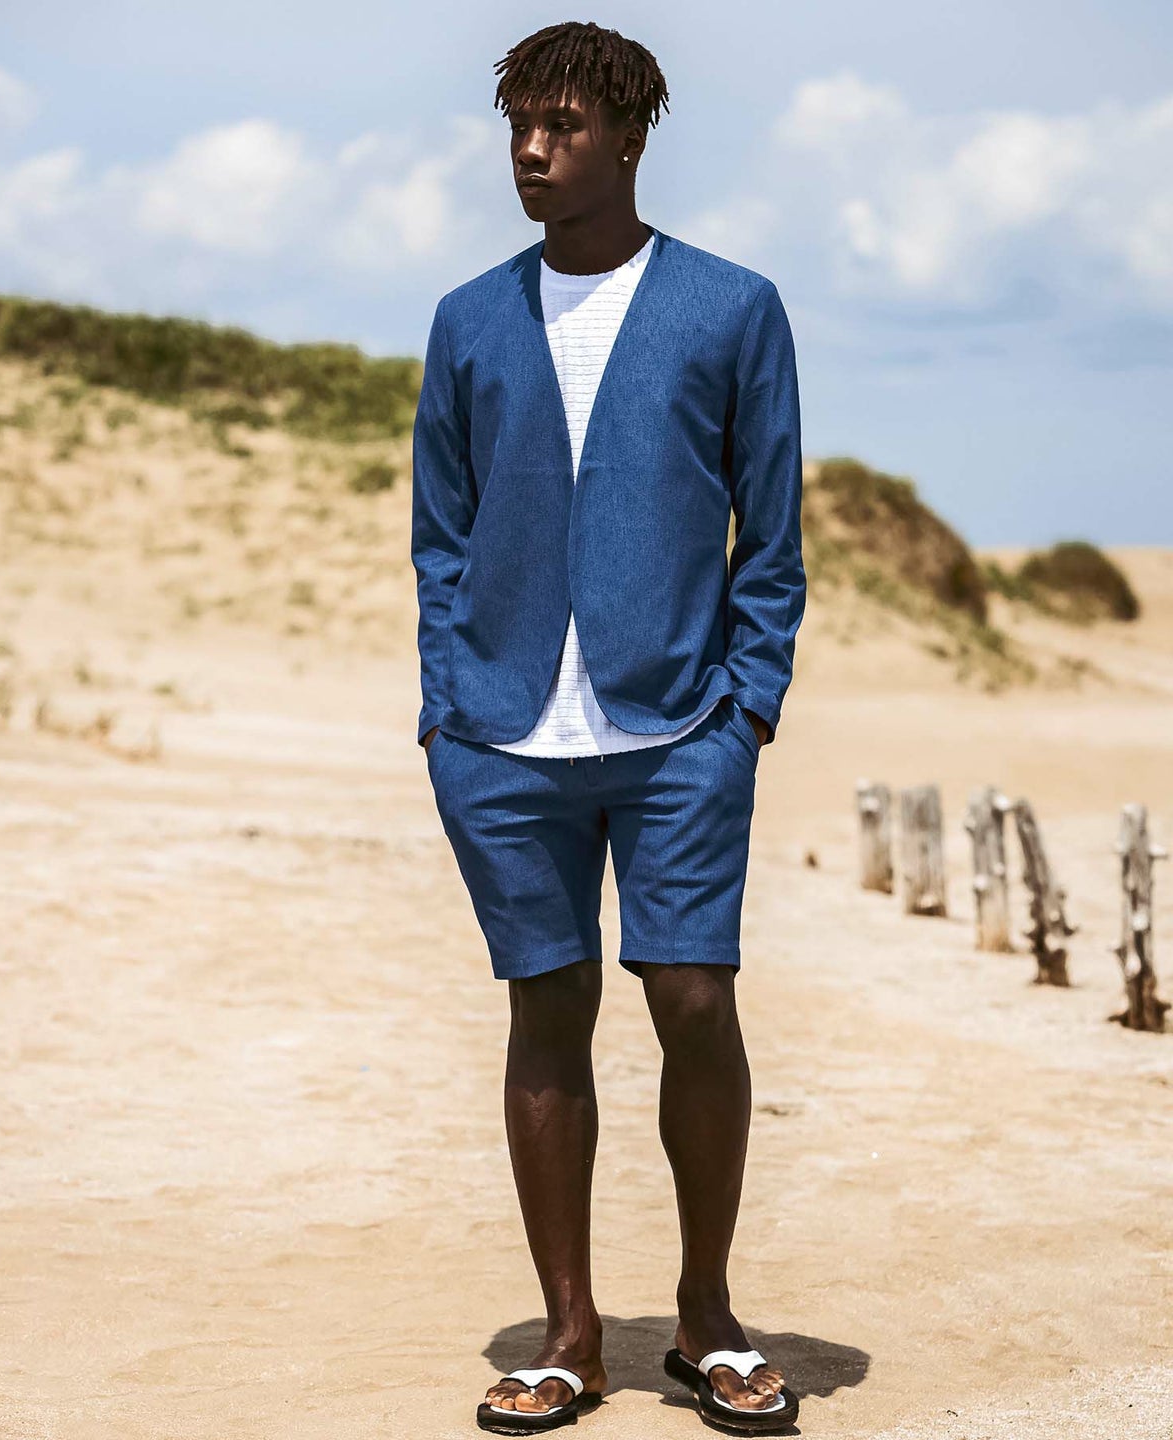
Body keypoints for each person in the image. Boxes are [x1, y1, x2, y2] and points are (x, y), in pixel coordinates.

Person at [411, 20, 807, 1435]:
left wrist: (746, 706)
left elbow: (771, 534)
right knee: (547, 1010)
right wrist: (448, 705)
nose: (532, 151)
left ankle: (705, 1315)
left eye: (563, 126)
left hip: (683, 723)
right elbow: (440, 532)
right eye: (520, 126)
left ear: (630, 139)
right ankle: (571, 1333)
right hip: (502, 734)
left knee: (693, 999)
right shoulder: (469, 318)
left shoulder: (731, 308)